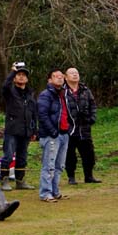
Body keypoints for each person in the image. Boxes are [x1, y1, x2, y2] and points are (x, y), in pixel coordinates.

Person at [0, 63, 38, 191]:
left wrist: (34, 130)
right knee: (8, 156)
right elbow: (5, 86)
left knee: (22, 157)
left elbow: (33, 113)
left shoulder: (30, 94)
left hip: (26, 131)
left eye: (24, 75)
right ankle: (4, 181)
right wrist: (12, 72)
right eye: (18, 75)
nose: (21, 77)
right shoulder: (10, 92)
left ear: (27, 79)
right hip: (12, 130)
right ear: (14, 78)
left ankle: (20, 181)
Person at [37, 68, 70, 202]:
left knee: (59, 165)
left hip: (64, 133)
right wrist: (53, 131)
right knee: (49, 165)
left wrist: (69, 128)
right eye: (56, 76)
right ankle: (45, 192)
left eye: (61, 76)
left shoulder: (64, 94)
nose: (60, 78)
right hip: (52, 135)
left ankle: (55, 191)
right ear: (49, 80)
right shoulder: (46, 95)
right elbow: (42, 115)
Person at [64, 67, 101, 184]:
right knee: (70, 155)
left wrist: (92, 118)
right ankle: (71, 177)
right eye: (72, 73)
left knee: (89, 153)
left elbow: (92, 105)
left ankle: (89, 176)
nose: (75, 75)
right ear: (66, 77)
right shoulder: (63, 91)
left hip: (84, 128)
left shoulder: (85, 90)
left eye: (76, 73)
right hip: (70, 128)